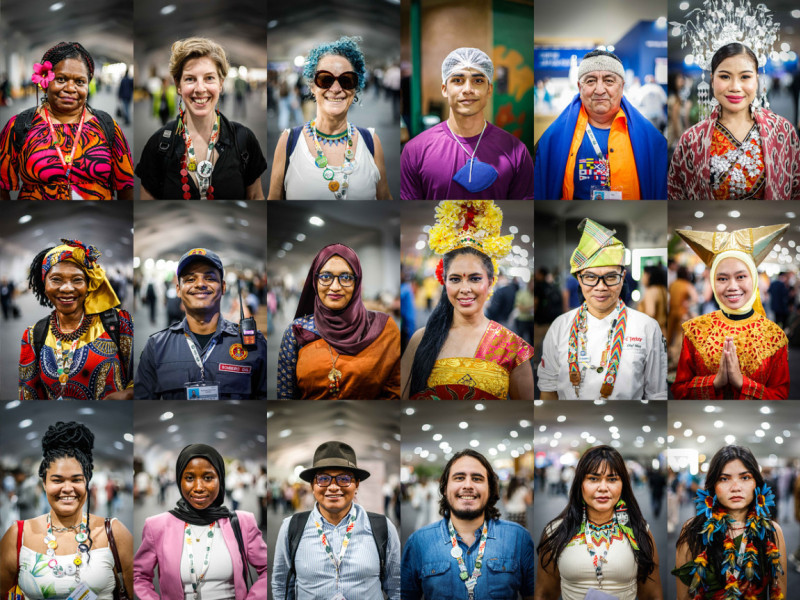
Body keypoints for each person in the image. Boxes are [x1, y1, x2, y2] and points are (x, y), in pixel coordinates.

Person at [401, 201, 534, 399]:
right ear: (444, 283)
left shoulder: (513, 347)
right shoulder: (421, 339)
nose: (464, 289)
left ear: (490, 282)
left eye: (474, 278)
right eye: (455, 279)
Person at [0, 421, 133, 600]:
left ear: (87, 482)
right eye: (57, 480)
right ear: (44, 484)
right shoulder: (18, 535)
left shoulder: (114, 533)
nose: (67, 488)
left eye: (77, 480)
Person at [538, 219, 668, 399]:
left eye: (611, 277)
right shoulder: (560, 326)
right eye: (590, 277)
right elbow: (548, 389)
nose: (601, 287)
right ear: (579, 278)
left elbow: (657, 395)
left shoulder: (647, 327)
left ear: (623, 277)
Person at [0, 42, 134, 200]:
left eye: (80, 82)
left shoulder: (107, 126)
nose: (71, 88)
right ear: (45, 81)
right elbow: (2, 187)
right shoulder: (20, 125)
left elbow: (126, 186)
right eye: (61, 79)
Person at [136, 37, 267, 199]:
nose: (200, 88)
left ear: (221, 83)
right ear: (178, 85)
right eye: (190, 79)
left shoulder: (244, 140)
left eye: (209, 78)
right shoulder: (158, 145)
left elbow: (256, 197)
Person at [134, 443, 268, 600]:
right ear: (179, 480)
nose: (198, 487)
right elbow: (139, 576)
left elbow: (267, 569)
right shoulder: (157, 526)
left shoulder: (243, 522)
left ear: (220, 479)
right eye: (189, 478)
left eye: (208, 477)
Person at [672, 224, 790, 399]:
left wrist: (743, 383)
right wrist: (715, 382)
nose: (732, 287)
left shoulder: (774, 337)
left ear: (754, 279)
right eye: (722, 278)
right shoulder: (695, 330)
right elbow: (679, 390)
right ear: (713, 281)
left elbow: (780, 395)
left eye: (741, 276)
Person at [668, 43, 800, 199]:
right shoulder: (691, 139)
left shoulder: (783, 131)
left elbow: (796, 190)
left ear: (756, 80)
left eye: (745, 77)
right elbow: (676, 193)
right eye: (724, 76)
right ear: (712, 80)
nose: (735, 87)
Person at [271, 441, 400, 599]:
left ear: (356, 484)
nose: (333, 487)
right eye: (323, 479)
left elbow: (396, 586)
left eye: (344, 479)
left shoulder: (382, 527)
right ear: (312, 485)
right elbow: (281, 584)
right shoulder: (291, 527)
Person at [401, 47, 534, 200]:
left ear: (489, 89)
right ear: (444, 89)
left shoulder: (516, 152)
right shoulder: (415, 151)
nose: (468, 89)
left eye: (478, 81)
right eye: (458, 80)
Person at [268, 36, 392, 199]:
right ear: (312, 87)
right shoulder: (288, 141)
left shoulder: (371, 141)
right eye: (325, 79)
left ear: (355, 88)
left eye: (346, 80)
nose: (336, 88)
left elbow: (385, 197)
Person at [534, 49, 667, 200]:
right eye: (590, 81)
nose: (599, 90)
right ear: (579, 87)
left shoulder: (651, 140)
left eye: (608, 81)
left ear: (622, 87)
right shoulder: (553, 140)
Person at [402, 449, 535, 599]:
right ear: (445, 488)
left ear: (490, 489)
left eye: (477, 479)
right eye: (459, 478)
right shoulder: (419, 542)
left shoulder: (518, 538)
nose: (468, 485)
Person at [135, 248, 267, 399]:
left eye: (209, 278)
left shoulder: (254, 344)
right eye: (190, 279)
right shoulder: (156, 346)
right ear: (178, 289)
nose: (200, 284)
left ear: (223, 287)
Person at [535, 445, 662, 600]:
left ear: (623, 485)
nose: (603, 488)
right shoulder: (556, 531)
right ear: (580, 483)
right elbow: (545, 594)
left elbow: (652, 595)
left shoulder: (639, 531)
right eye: (593, 479)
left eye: (612, 479)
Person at [277, 243, 401, 399]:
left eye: (346, 277)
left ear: (357, 282)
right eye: (326, 276)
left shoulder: (383, 328)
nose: (335, 287)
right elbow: (286, 395)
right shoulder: (298, 331)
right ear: (315, 281)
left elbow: (395, 391)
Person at [19, 239, 133, 400]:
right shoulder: (33, 336)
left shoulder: (119, 323)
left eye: (77, 280)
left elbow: (144, 380)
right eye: (56, 279)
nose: (66, 288)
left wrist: (128, 394)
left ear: (89, 284)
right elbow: (28, 396)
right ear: (44, 284)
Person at [674, 445, 787, 599]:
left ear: (756, 483)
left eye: (745, 477)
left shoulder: (771, 531)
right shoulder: (693, 530)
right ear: (713, 484)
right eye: (724, 478)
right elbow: (684, 596)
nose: (735, 487)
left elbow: (779, 592)